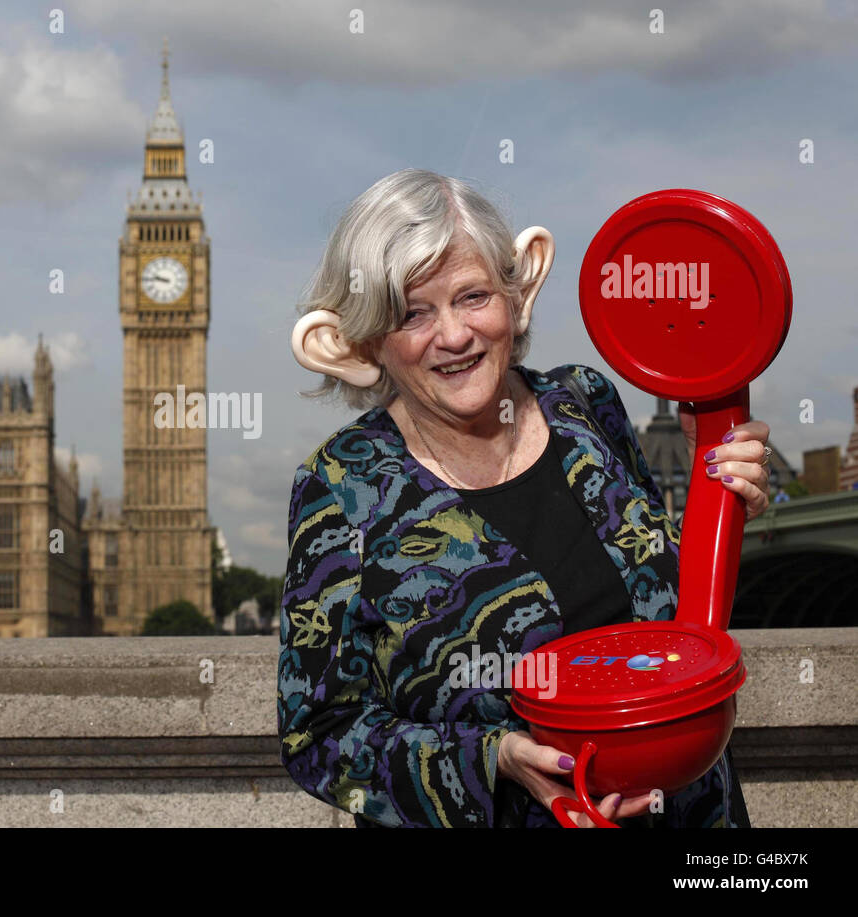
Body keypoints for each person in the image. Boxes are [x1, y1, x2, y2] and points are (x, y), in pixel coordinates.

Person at [278, 169, 770, 827]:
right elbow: (319, 734)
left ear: (517, 293)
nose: (453, 335)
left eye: (473, 295)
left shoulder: (587, 405)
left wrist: (726, 500)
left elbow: (678, 622)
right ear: (365, 340)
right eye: (413, 313)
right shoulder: (340, 485)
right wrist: (497, 759)